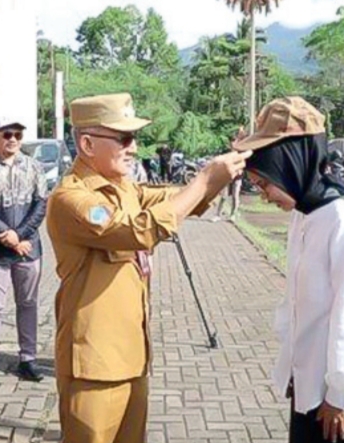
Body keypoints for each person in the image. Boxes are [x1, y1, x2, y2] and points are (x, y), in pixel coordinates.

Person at [47, 92, 247, 443]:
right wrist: (202, 179)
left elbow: (177, 199)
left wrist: (222, 171)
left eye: (134, 138)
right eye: (124, 138)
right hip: (94, 363)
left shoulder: (124, 188)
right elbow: (139, 230)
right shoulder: (72, 198)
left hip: (131, 356)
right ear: (88, 144)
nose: (134, 147)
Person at [236, 97, 344, 443]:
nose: (263, 196)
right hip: (312, 384)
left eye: (264, 184)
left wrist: (338, 394)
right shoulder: (306, 215)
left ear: (288, 163)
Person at [0, 117, 47, 391]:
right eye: (6, 134)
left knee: (28, 303)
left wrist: (21, 235)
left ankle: (28, 358)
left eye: (17, 134)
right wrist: (8, 235)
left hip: (29, 248)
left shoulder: (34, 166)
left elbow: (41, 204)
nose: (12, 139)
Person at [213, 127, 246, 221]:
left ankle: (233, 215)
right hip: (227, 176)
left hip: (238, 177)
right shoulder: (226, 152)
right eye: (231, 142)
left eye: (234, 141)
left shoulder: (241, 152)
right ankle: (217, 215)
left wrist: (240, 169)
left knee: (235, 196)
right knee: (223, 196)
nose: (233, 143)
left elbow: (244, 163)